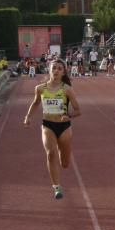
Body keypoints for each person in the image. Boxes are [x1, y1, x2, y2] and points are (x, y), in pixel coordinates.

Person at [23, 59, 81, 199]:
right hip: (47, 125)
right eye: (54, 68)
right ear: (49, 70)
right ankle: (56, 186)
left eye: (59, 69)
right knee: (50, 153)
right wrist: (28, 117)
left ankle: (64, 155)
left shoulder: (67, 89)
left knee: (65, 163)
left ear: (63, 72)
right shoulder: (40, 88)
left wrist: (69, 116)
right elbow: (36, 103)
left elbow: (78, 110)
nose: (56, 71)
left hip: (64, 127)